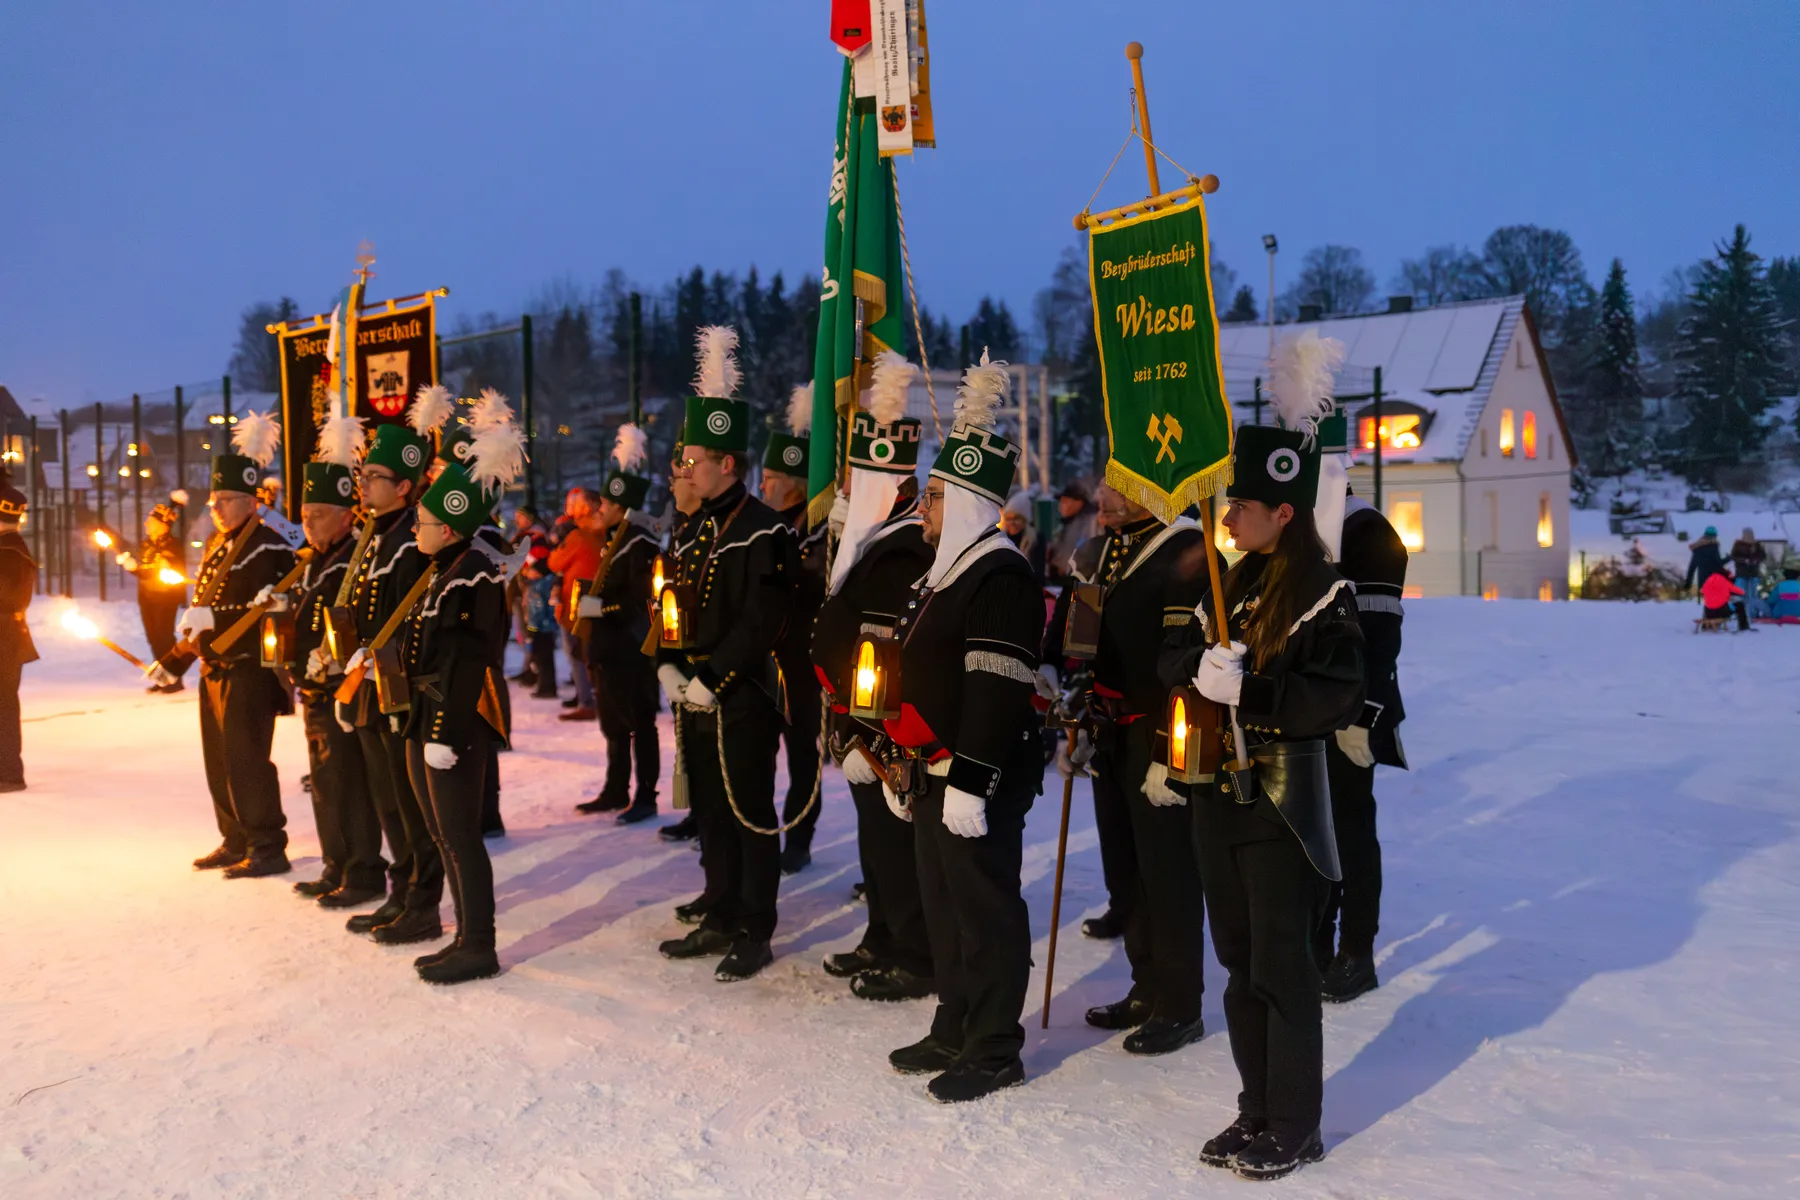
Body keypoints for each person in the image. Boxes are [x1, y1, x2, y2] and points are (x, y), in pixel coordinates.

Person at [1158, 338, 1363, 1181]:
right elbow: (1174, 657)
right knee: (1238, 967)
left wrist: (1259, 696)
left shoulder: (1324, 589)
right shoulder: (1229, 578)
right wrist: (1193, 671)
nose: (1229, 517)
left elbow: (1339, 695)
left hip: (1281, 801)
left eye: (1243, 505)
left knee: (1282, 968)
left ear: (1284, 510)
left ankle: (1296, 1121)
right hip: (1218, 794)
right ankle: (1256, 1107)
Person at [878, 352, 1045, 1103]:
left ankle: (994, 1045)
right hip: (930, 770)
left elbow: (996, 688)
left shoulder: (1000, 575)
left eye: (937, 497)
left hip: (976, 776)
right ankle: (954, 1019)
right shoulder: (943, 572)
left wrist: (972, 779)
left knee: (984, 910)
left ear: (973, 505)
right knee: (944, 906)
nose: (924, 510)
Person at [1042, 483, 1213, 1056]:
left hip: (1159, 728)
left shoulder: (1187, 550)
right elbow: (1069, 625)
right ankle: (1147, 985)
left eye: (1118, 488)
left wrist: (1170, 751)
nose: (1102, 496)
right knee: (1126, 869)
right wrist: (1053, 675)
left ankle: (1181, 1004)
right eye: (1103, 486)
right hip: (1109, 726)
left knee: (1168, 872)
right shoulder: (1098, 550)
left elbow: (1187, 667)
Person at [654, 327, 796, 982]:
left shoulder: (762, 530)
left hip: (741, 693)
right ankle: (719, 908)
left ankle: (754, 925)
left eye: (697, 461)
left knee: (747, 810)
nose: (686, 469)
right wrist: (668, 659)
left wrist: (714, 675)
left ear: (729, 465)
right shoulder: (693, 528)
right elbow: (673, 601)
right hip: (695, 689)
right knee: (709, 807)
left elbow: (761, 619)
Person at [809, 351, 935, 1002]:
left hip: (888, 728)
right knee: (875, 845)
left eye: (859, 480)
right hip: (861, 723)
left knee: (896, 845)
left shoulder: (910, 544)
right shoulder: (873, 539)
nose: (848, 491)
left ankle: (914, 952)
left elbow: (884, 641)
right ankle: (883, 933)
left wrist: (869, 732)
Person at [394, 396, 525, 985]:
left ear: (447, 525)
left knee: (461, 835)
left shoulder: (472, 574)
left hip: (456, 723)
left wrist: (444, 733)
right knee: (442, 833)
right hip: (427, 716)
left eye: (421, 521)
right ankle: (463, 934)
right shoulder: (441, 570)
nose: (415, 529)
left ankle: (480, 944)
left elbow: (470, 660)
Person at [150, 411, 298, 878]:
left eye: (225, 499)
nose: (214, 507)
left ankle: (268, 844)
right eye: (212, 499)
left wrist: (216, 619)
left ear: (252, 501)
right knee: (219, 760)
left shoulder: (269, 546)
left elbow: (274, 611)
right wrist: (175, 658)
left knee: (248, 760)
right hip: (216, 666)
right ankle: (235, 837)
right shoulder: (219, 542)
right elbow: (205, 609)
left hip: (250, 667)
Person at [338, 408, 442, 945]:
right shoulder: (375, 535)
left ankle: (423, 903)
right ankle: (400, 891)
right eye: (363, 475)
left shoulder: (411, 539)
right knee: (387, 798)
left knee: (411, 802)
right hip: (372, 688)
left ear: (404, 484)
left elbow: (414, 617)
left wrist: (378, 660)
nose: (364, 483)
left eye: (373, 477)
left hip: (400, 689)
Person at [1314, 463, 1410, 1004]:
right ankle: (1320, 941)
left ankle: (1356, 951)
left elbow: (1381, 635)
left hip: (1352, 711)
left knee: (1351, 833)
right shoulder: (1312, 529)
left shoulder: (1367, 530)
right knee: (1316, 832)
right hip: (1310, 709)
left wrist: (1364, 712)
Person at [286, 425, 386, 908]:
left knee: (350, 783)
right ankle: (336, 864)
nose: (308, 523)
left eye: (319, 514)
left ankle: (364, 871)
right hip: (314, 687)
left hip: (343, 687)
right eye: (304, 515)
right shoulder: (315, 558)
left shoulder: (355, 559)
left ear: (347, 516)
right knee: (326, 782)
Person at [573, 425, 662, 824]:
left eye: (606, 503)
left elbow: (637, 600)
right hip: (609, 649)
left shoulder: (640, 543)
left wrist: (598, 607)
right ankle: (615, 787)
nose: (598, 509)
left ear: (621, 507)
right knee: (613, 724)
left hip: (630, 649)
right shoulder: (616, 540)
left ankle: (645, 794)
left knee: (639, 722)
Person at [760, 384, 828, 874]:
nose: (762, 486)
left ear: (797, 486)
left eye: (770, 478)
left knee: (804, 756)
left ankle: (799, 835)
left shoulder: (820, 537)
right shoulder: (763, 529)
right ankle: (758, 831)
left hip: (803, 667)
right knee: (759, 754)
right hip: (764, 663)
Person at [117, 492, 189, 692]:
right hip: (147, 597)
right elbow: (145, 570)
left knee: (164, 637)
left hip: (165, 598)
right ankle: (162, 677)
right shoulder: (146, 544)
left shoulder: (173, 545)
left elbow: (163, 571)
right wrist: (133, 566)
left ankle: (174, 680)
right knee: (153, 638)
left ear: (162, 525)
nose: (146, 525)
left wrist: (140, 569)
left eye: (150, 521)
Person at [549, 487, 601, 721]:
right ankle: (589, 694)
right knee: (590, 651)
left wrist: (560, 542)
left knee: (576, 652)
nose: (570, 507)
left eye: (575, 503)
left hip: (574, 602)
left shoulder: (577, 535)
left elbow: (554, 562)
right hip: (596, 599)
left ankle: (586, 700)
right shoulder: (603, 532)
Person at [0, 478, 38, 792]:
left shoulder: (11, 551)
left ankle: (9, 773)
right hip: (6, 637)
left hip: (5, 638)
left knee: (4, 704)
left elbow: (10, 597)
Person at [1045, 481, 1100, 583]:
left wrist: (1065, 568)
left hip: (1079, 579)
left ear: (1078, 502)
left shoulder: (1090, 522)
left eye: (1065, 501)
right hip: (1064, 579)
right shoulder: (1067, 523)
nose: (1060, 506)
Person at [1000, 491, 1044, 583]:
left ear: (1025, 519)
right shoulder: (1000, 539)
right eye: (1008, 519)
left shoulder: (1034, 538)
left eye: (1016, 518)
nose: (1012, 523)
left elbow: (1038, 569)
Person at [1730, 527, 1768, 620]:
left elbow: (1763, 556)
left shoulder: (1757, 544)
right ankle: (1738, 613)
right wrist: (1744, 560)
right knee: (1739, 594)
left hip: (1753, 573)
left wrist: (1755, 560)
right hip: (1741, 573)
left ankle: (1753, 613)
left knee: (1753, 594)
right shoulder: (1738, 544)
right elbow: (1733, 556)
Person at [1700, 563, 1749, 631]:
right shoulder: (1724, 581)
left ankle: (1705, 625)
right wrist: (1743, 593)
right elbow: (1739, 591)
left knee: (1708, 604)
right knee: (1740, 605)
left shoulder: (1708, 580)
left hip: (1709, 613)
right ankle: (1744, 627)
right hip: (1721, 612)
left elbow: (1702, 591)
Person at [1683, 525, 1725, 593]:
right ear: (1715, 536)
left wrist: (1688, 584)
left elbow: (1692, 566)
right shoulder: (1714, 547)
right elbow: (1718, 563)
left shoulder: (1697, 548)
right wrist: (1729, 558)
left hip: (1702, 581)